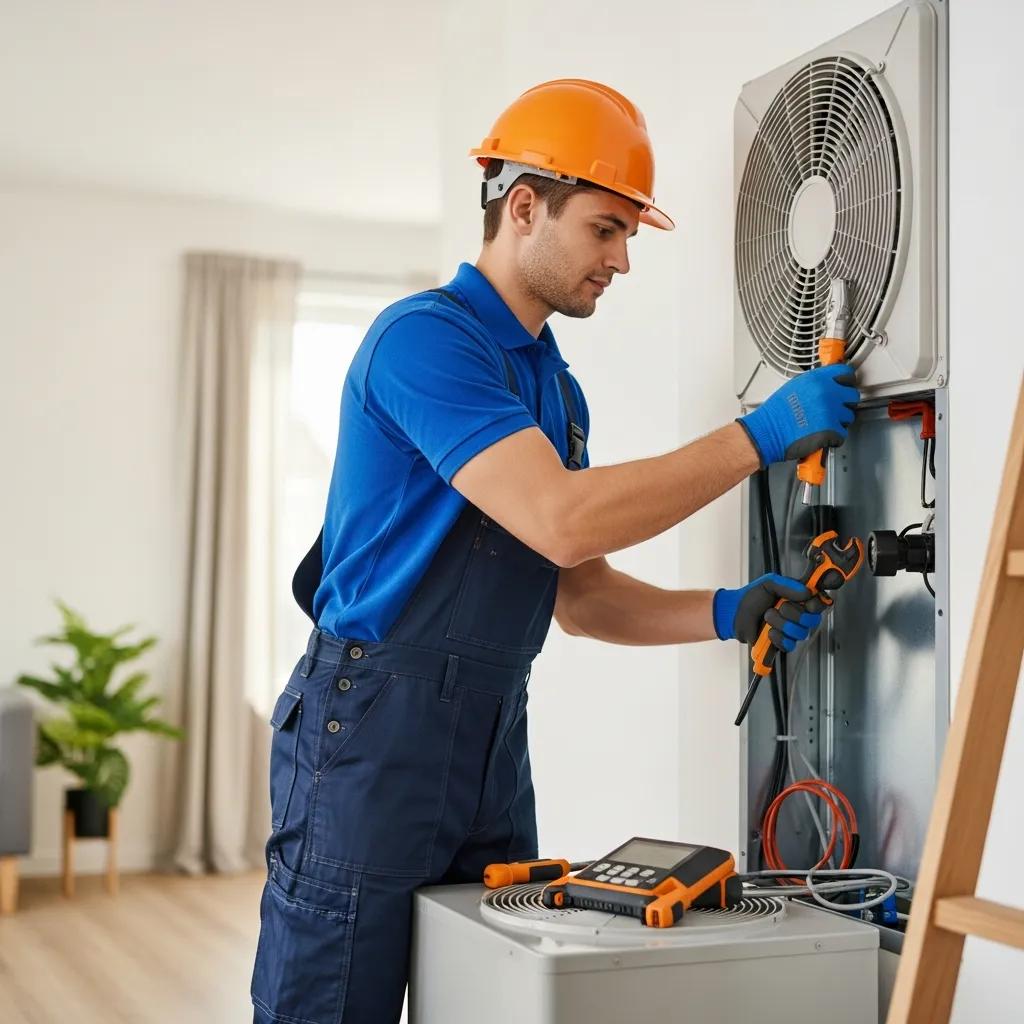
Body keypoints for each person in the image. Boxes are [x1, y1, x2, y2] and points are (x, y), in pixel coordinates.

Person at [251, 78, 859, 1024]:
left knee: (489, 996)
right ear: (524, 206)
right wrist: (762, 434)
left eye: (626, 236)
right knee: (332, 1006)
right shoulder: (423, 341)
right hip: (371, 732)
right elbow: (564, 517)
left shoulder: (555, 391)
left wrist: (723, 611)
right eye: (607, 229)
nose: (621, 260)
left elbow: (580, 593)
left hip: (492, 734)